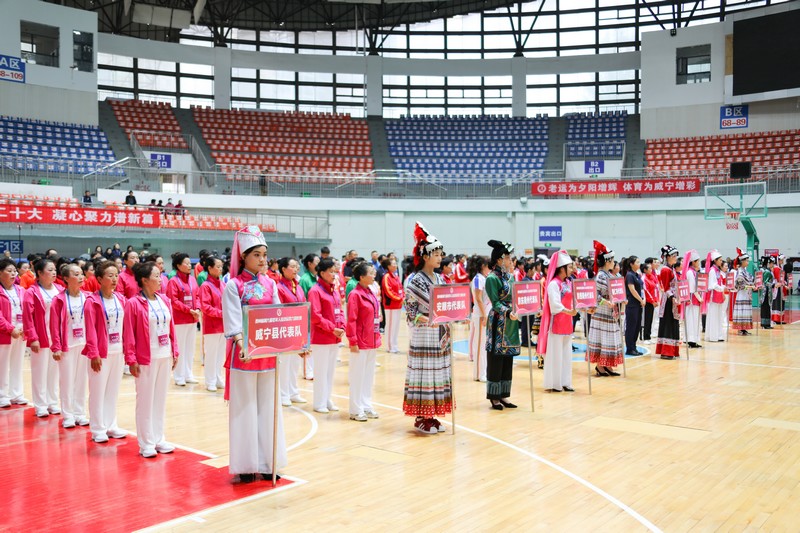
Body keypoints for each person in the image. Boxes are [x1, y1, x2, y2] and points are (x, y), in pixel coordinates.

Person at [221, 226, 286, 483]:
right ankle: (246, 465)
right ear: (244, 256)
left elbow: (280, 316)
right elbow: (234, 322)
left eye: (264, 254)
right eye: (256, 254)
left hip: (268, 357)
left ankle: (269, 462)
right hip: (244, 357)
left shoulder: (271, 283)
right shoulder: (233, 286)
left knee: (269, 409)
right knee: (244, 409)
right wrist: (243, 345)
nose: (262, 260)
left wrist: (294, 343)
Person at [124, 262, 178, 458]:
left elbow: (171, 328)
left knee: (160, 400)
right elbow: (129, 333)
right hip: (146, 358)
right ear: (145, 280)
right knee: (146, 400)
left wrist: (175, 351)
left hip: (165, 355)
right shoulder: (133, 303)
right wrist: (131, 359)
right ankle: (146, 442)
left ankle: (158, 438)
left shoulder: (164, 300)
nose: (160, 278)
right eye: (156, 275)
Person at [403, 222, 452, 433]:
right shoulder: (415, 280)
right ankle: (422, 417)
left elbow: (443, 304)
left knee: (437, 374)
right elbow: (414, 312)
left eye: (441, 254)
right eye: (437, 254)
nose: (440, 258)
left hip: (439, 332)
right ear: (425, 256)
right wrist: (429, 318)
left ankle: (433, 414)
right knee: (425, 373)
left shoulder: (440, 278)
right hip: (424, 334)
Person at [83, 261, 128, 442]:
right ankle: (97, 428)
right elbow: (90, 329)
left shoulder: (121, 299)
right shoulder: (92, 302)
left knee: (112, 390)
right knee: (97, 391)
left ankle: (111, 425)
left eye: (116, 275)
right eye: (110, 276)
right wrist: (94, 353)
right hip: (101, 353)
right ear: (100, 279)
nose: (114, 279)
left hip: (118, 351)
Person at [49, 264, 90, 428]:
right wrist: (56, 347)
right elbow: (54, 326)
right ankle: (68, 414)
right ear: (66, 278)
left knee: (82, 380)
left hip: (85, 345)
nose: (81, 277)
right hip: (68, 346)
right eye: (76, 274)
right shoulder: (58, 300)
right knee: (66, 381)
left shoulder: (88, 297)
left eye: (81, 274)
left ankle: (80, 412)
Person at [23, 258, 61, 417]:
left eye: (54, 270)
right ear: (39, 273)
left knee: (54, 371)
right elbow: (27, 317)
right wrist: (33, 337)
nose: (54, 273)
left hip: (57, 338)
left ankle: (53, 401)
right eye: (50, 270)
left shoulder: (59, 289)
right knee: (40, 371)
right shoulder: (31, 292)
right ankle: (40, 405)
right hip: (41, 337)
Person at [485, 239, 520, 410]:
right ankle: (494, 396)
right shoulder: (491, 278)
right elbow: (495, 302)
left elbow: (516, 297)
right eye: (507, 258)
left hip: (511, 321)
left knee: (508, 359)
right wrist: (508, 312)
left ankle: (504, 395)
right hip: (498, 322)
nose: (510, 261)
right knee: (496, 359)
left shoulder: (511, 277)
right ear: (499, 260)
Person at [308, 257, 345, 414]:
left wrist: (342, 325)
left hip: (334, 337)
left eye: (335, 271)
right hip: (322, 338)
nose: (334, 274)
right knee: (321, 372)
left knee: (330, 372)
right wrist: (332, 328)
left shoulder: (334, 290)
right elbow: (316, 316)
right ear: (322, 273)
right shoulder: (315, 291)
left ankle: (327, 398)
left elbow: (340, 310)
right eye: (330, 271)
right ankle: (319, 402)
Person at [346, 262, 382, 422]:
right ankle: (355, 409)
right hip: (360, 342)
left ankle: (366, 405)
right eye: (371, 273)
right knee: (357, 376)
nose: (374, 275)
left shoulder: (371, 292)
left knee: (368, 376)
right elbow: (351, 319)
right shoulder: (355, 294)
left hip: (372, 340)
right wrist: (352, 340)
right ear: (361, 277)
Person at [540, 250, 578, 392]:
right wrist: (568, 311)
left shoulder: (568, 282)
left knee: (567, 355)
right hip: (556, 323)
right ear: (561, 269)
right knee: (556, 355)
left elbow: (574, 301)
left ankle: (566, 382)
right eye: (569, 267)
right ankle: (555, 384)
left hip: (567, 323)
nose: (572, 270)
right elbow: (555, 305)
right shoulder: (553, 285)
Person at [276, 257, 310, 406]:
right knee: (285, 364)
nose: (296, 269)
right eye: (292, 267)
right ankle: (283, 395)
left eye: (297, 266)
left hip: (298, 329)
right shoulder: (279, 287)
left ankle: (293, 392)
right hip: (285, 330)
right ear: (283, 269)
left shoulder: (298, 286)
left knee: (295, 363)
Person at [587, 240, 624, 374]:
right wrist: (606, 302)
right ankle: (600, 365)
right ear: (608, 261)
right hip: (603, 312)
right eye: (613, 260)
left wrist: (621, 299)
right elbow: (595, 295)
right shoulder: (601, 276)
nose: (614, 262)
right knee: (603, 339)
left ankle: (607, 365)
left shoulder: (609, 275)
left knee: (610, 338)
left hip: (609, 312)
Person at [167, 253, 201, 386]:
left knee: (190, 348)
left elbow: (197, 296)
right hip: (180, 319)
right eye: (186, 263)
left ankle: (188, 374)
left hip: (192, 319)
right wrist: (188, 310)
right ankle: (179, 376)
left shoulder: (192, 280)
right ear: (178, 265)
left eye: (189, 263)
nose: (189, 265)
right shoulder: (173, 281)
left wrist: (197, 309)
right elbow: (173, 301)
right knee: (180, 348)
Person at [0, 259, 28, 408]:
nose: (13, 273)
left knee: (17, 363)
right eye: (9, 271)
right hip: (5, 333)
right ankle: (2, 394)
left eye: (14, 271)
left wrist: (25, 327)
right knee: (2, 365)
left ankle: (16, 393)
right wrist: (10, 329)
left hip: (21, 332)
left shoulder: (20, 290)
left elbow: (27, 311)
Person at [199, 256, 225, 392]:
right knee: (211, 354)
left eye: (222, 266)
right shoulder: (205, 286)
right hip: (212, 325)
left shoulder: (223, 284)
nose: (221, 269)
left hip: (223, 326)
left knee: (220, 354)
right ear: (209, 268)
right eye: (218, 266)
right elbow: (206, 307)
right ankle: (210, 381)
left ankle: (218, 378)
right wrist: (222, 313)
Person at [655, 245, 681, 359]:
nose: (676, 258)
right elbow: (666, 288)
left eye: (676, 256)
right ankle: (666, 351)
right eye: (674, 256)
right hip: (668, 302)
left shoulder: (671, 269)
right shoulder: (665, 270)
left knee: (673, 324)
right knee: (668, 325)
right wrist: (673, 298)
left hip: (673, 300)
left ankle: (672, 350)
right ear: (668, 257)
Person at [467, 255, 490, 382]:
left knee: (483, 345)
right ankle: (479, 374)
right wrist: (484, 315)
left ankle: (482, 372)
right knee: (480, 345)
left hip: (484, 313)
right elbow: (478, 299)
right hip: (480, 315)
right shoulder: (478, 279)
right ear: (482, 266)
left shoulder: (483, 278)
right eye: (488, 266)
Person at [298, 253, 319, 379]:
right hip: (307, 316)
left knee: (313, 345)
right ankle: (307, 371)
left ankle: (313, 369)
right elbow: (302, 299)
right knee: (307, 345)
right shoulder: (305, 279)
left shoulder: (316, 278)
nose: (319, 264)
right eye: (317, 262)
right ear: (310, 264)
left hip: (315, 317)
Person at [622, 256, 645, 356]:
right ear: (631, 264)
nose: (639, 264)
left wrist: (643, 299)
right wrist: (640, 299)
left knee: (637, 326)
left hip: (639, 304)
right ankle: (629, 348)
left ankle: (634, 347)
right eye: (637, 262)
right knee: (631, 326)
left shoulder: (637, 275)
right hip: (632, 304)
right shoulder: (630, 275)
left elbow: (641, 289)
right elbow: (632, 290)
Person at [381, 256, 404, 354]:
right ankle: (390, 346)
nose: (395, 265)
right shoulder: (386, 277)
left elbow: (401, 288)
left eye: (395, 263)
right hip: (390, 306)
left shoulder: (396, 276)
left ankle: (394, 344)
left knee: (396, 326)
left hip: (398, 305)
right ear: (388, 266)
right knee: (390, 326)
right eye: (393, 264)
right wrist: (399, 298)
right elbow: (388, 291)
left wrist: (403, 297)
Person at [681, 250, 703, 348]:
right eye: (697, 261)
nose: (699, 262)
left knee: (695, 320)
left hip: (695, 299)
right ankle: (690, 340)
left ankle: (692, 339)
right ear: (693, 262)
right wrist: (699, 298)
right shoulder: (690, 272)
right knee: (691, 320)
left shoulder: (694, 272)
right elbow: (692, 288)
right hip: (692, 300)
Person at [704, 250, 727, 342]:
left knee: (719, 317)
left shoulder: (718, 270)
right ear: (715, 260)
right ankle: (713, 336)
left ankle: (719, 335)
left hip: (719, 295)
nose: (721, 261)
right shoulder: (712, 271)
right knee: (713, 316)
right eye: (720, 260)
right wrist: (722, 288)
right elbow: (712, 285)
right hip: (713, 296)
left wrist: (722, 291)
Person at [732, 248, 755, 335]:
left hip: (746, 295)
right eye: (747, 261)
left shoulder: (745, 271)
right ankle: (740, 329)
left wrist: (753, 286)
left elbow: (750, 282)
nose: (748, 262)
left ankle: (744, 328)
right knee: (742, 311)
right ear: (742, 261)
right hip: (742, 294)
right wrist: (750, 287)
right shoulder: (740, 272)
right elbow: (740, 286)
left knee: (745, 311)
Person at [641, 261, 659, 344]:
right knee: (646, 320)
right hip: (647, 302)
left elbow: (656, 288)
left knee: (651, 319)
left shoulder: (652, 276)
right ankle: (645, 337)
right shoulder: (644, 278)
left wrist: (656, 300)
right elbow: (646, 291)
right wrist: (652, 301)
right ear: (645, 270)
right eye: (649, 268)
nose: (651, 269)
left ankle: (648, 336)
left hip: (653, 302)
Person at [759, 255, 775, 330]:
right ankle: (765, 324)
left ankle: (765, 323)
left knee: (765, 307)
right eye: (771, 263)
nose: (772, 264)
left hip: (764, 291)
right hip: (766, 292)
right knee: (766, 307)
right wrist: (773, 284)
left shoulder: (762, 270)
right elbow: (766, 282)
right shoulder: (766, 271)